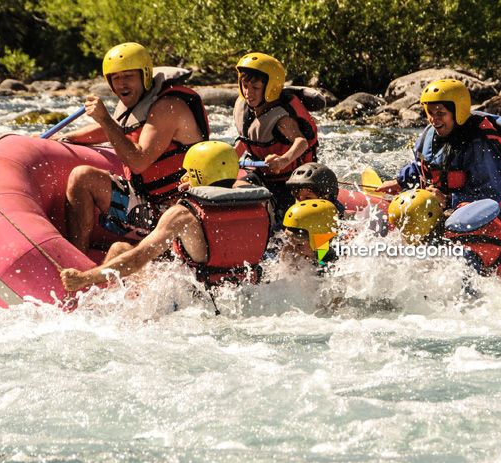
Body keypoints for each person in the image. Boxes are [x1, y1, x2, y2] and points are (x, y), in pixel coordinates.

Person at [60, 141, 271, 291]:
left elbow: (137, 259)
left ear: (197, 173)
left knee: (119, 249)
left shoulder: (182, 214)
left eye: (189, 172)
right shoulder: (259, 204)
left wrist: (83, 279)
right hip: (245, 291)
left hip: (194, 299)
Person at [61, 42, 210, 253]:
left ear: (145, 75)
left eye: (129, 76)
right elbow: (112, 129)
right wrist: (64, 137)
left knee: (118, 249)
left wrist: (104, 118)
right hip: (147, 202)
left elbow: (138, 162)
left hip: (179, 210)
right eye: (116, 78)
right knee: (82, 177)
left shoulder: (168, 107)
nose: (122, 83)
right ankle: (77, 260)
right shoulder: (138, 104)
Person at [375, 79, 501, 225]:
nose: (434, 120)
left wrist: (449, 200)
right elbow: (420, 167)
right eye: (430, 112)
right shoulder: (429, 134)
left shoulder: (480, 143)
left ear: (458, 112)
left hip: (480, 222)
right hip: (442, 213)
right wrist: (400, 182)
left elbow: (492, 196)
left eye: (440, 113)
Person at [233, 52, 319, 223]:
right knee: (236, 188)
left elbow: (301, 142)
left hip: (288, 182)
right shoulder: (245, 109)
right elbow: (245, 140)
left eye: (255, 88)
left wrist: (282, 160)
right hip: (261, 175)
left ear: (271, 87)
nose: (248, 93)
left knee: (285, 222)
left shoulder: (281, 117)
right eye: (245, 86)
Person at [280, 199, 339, 268]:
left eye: (299, 245)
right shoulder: (296, 252)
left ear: (319, 241)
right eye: (290, 242)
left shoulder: (329, 263)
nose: (294, 249)